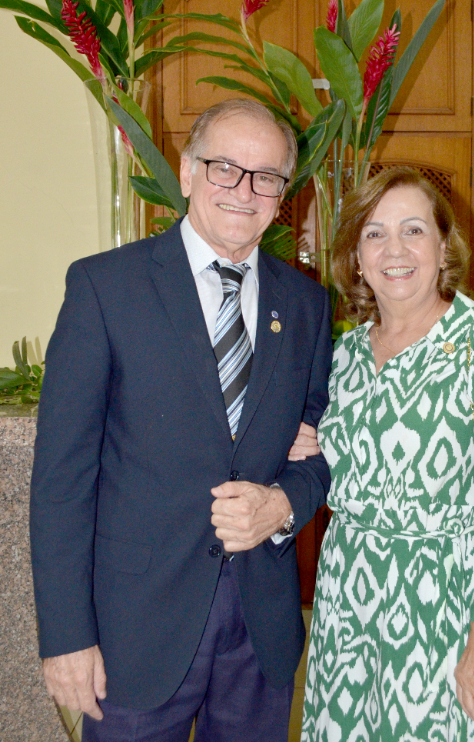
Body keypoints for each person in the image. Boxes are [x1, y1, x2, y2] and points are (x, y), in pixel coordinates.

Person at [30, 97, 332, 742]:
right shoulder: (104, 288)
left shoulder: (306, 304)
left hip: (261, 628)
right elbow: (61, 481)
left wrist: (283, 503)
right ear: (188, 172)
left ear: (283, 194)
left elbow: (319, 447)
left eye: (267, 176)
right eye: (225, 167)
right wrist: (65, 639)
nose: (244, 191)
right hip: (132, 632)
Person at [301, 166, 474, 741]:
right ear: (356, 256)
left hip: (445, 612)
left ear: (444, 246)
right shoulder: (341, 356)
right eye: (373, 233)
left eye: (413, 230)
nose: (394, 249)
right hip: (348, 611)